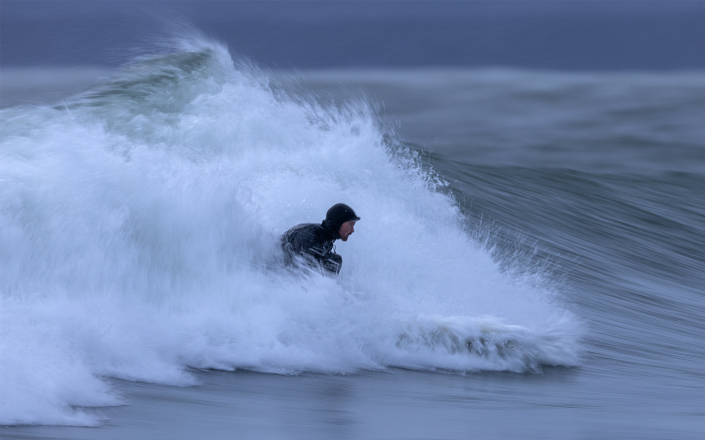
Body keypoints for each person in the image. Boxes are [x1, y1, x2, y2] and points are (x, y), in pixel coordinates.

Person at [281, 203, 360, 275]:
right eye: (350, 225)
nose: (352, 230)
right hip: (279, 270)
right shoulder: (311, 237)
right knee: (334, 261)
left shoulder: (324, 234)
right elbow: (296, 266)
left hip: (284, 267)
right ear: (338, 223)